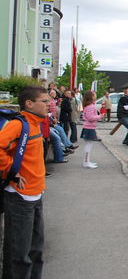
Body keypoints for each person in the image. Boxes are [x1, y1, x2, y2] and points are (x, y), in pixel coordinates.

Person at [0, 85, 49, 278]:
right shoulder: (19, 125)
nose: (49, 104)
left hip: (36, 194)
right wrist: (11, 170)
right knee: (19, 254)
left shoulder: (36, 123)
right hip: (20, 197)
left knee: (35, 250)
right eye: (44, 101)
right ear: (29, 103)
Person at [81, 90, 103, 169]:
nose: (95, 95)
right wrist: (100, 116)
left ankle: (86, 161)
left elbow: (86, 117)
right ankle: (86, 162)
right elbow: (90, 118)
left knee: (89, 144)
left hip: (89, 127)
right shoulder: (91, 106)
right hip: (89, 127)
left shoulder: (89, 106)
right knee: (89, 145)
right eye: (94, 94)